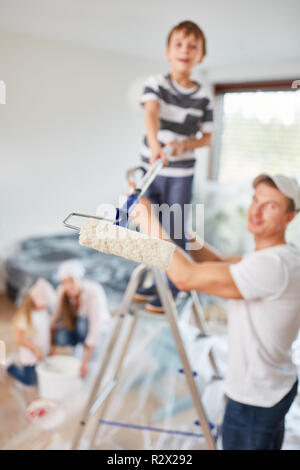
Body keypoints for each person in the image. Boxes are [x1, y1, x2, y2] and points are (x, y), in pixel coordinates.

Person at [132, 174, 300, 450]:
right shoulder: (281, 256)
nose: (255, 210)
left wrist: (149, 223)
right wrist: (178, 230)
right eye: (255, 200)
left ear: (289, 218)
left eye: (270, 206)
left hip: (255, 400)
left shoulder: (273, 266)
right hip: (273, 387)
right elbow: (219, 263)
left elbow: (185, 278)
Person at [134, 20, 213, 313]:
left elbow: (206, 137)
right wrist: (155, 145)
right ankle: (154, 280)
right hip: (151, 167)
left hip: (180, 174)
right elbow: (152, 112)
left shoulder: (204, 97)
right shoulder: (156, 83)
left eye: (193, 46)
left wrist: (184, 146)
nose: (185, 50)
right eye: (179, 44)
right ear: (168, 51)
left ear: (200, 56)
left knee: (175, 229)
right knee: (149, 225)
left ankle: (172, 287)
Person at [50, 260, 110, 378]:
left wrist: (84, 363)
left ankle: (88, 353)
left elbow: (94, 330)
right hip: (78, 327)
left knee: (82, 324)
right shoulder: (62, 291)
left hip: (97, 330)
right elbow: (54, 319)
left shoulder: (94, 291)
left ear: (80, 279)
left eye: (71, 281)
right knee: (61, 335)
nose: (68, 286)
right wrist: (51, 347)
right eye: (64, 282)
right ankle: (78, 348)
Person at [7, 278, 56, 386]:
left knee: (44, 376)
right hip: (30, 356)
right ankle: (9, 366)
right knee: (30, 381)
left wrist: (51, 347)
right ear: (35, 300)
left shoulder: (44, 313)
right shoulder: (24, 316)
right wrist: (35, 349)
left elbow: (47, 334)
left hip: (43, 353)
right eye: (45, 303)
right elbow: (19, 339)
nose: (46, 305)